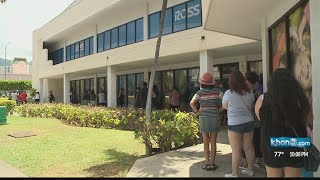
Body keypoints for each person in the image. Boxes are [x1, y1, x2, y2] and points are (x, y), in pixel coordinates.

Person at [255, 69, 309, 177]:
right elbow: (307, 119)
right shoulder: (301, 99)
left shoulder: (262, 99)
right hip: (296, 144)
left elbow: (261, 120)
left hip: (272, 145)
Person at [222, 70, 255, 177]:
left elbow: (225, 106)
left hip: (234, 123)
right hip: (249, 121)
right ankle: (250, 170)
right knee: (249, 147)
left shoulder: (228, 93)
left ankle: (234, 173)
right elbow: (251, 106)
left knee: (236, 150)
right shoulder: (249, 92)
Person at [190, 72, 223, 171]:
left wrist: (197, 111)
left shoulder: (200, 93)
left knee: (205, 142)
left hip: (203, 118)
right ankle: (212, 163)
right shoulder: (218, 92)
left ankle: (206, 163)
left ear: (202, 83)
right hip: (214, 118)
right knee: (213, 142)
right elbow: (227, 102)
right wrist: (219, 110)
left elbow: (191, 103)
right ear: (212, 83)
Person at [239, 71, 263, 170]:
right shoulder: (255, 93)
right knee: (253, 141)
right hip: (253, 121)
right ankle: (254, 161)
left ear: (248, 81)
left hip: (251, 121)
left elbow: (257, 108)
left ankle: (249, 162)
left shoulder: (254, 94)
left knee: (250, 142)